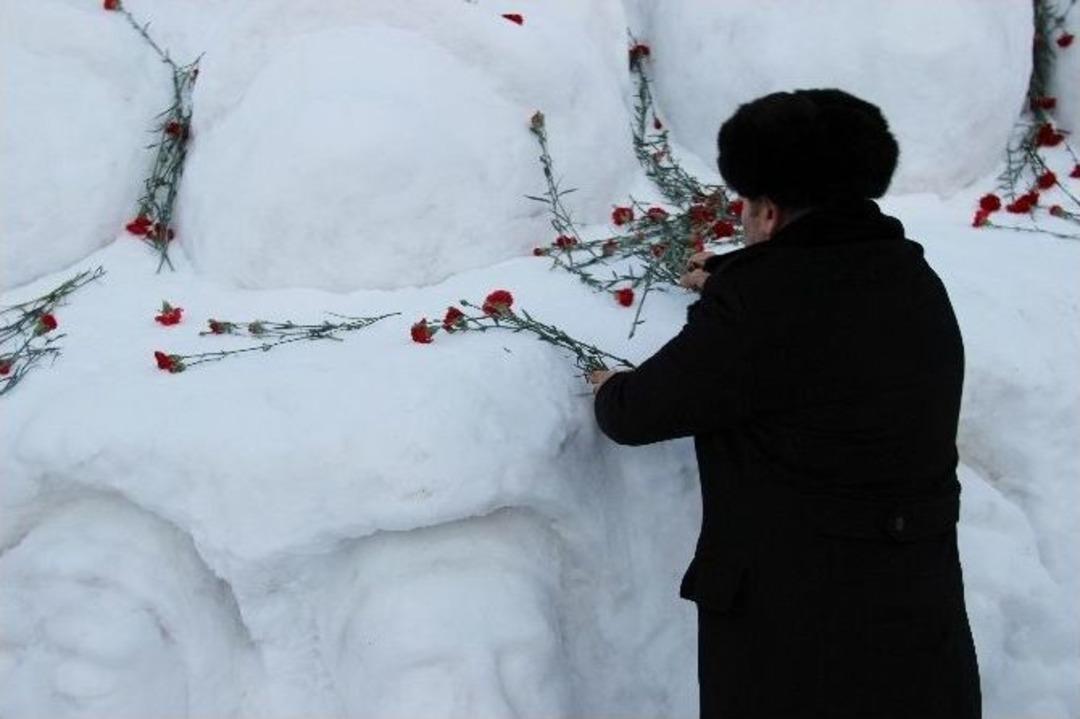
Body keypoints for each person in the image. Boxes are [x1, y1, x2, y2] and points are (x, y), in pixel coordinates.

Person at [589, 89, 981, 718]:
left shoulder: (759, 308)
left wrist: (608, 382)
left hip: (802, 627)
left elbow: (636, 414)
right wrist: (731, 276)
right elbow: (828, 316)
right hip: (915, 605)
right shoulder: (909, 277)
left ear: (767, 214)